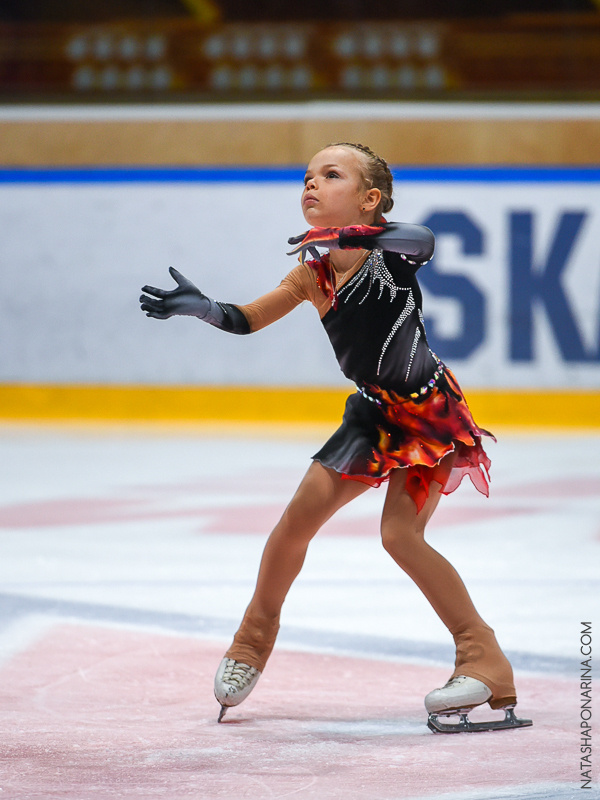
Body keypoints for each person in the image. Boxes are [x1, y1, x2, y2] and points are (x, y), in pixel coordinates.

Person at [139, 142, 531, 734]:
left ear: (370, 199)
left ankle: (484, 661)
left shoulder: (391, 255)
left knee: (400, 536)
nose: (311, 184)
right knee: (293, 524)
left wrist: (357, 235)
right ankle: (250, 643)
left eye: (330, 175)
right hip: (372, 416)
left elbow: (422, 238)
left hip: (428, 415)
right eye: (307, 176)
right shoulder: (312, 272)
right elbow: (248, 318)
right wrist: (205, 309)